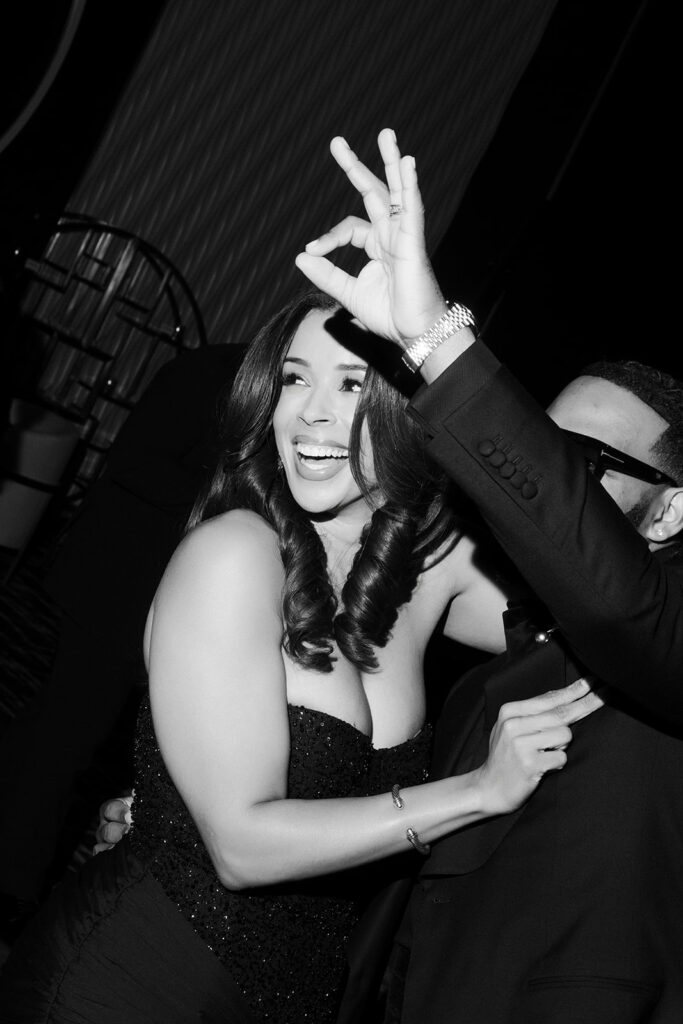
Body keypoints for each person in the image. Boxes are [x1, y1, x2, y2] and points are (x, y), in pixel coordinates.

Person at [0, 256, 600, 1018]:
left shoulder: (435, 563)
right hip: (132, 984)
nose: (311, 413)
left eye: (352, 385)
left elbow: (602, 615)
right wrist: (477, 792)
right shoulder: (235, 553)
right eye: (293, 379)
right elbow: (241, 847)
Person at [287, 130, 683, 1023]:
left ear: (668, 512)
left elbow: (619, 603)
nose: (544, 479)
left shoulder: (653, 627)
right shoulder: (497, 653)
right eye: (538, 446)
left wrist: (435, 338)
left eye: (581, 462)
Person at [0, 342, 247, 941]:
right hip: (111, 588)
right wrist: (229, 502)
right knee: (70, 737)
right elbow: (134, 460)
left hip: (140, 592)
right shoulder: (207, 374)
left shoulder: (256, 389)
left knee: (56, 727)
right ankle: (12, 893)